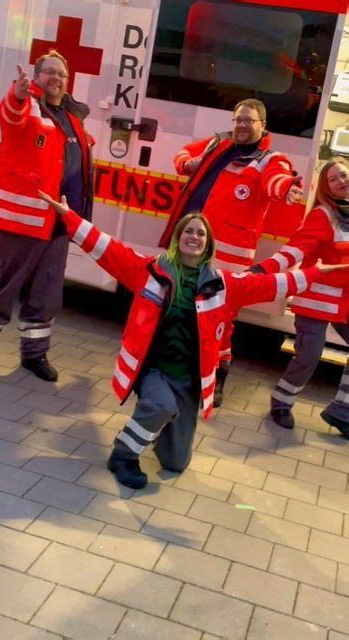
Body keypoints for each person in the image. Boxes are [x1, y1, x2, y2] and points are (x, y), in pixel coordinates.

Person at [39, 190, 347, 489]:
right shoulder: (150, 270)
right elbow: (108, 249)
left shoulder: (223, 284)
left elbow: (271, 284)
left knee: (175, 462)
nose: (194, 237)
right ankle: (123, 455)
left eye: (201, 234)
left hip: (188, 380)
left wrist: (317, 273)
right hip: (154, 370)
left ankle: (157, 427)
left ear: (207, 244)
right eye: (189, 231)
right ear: (177, 238)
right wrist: (71, 219)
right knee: (159, 405)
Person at [159, 98, 303, 406]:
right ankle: (184, 370)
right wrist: (189, 164)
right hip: (195, 248)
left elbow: (276, 181)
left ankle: (218, 375)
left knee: (220, 318)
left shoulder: (269, 158)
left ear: (263, 125)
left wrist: (288, 187)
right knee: (184, 307)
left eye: (249, 121)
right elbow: (183, 154)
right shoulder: (218, 143)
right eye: (238, 119)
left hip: (229, 257)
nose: (241, 125)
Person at [0, 49, 94, 381]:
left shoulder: (72, 119)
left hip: (57, 224)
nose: (56, 78)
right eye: (49, 72)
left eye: (61, 74)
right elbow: (11, 115)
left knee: (45, 295)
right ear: (35, 78)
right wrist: (17, 94)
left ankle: (34, 356)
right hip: (17, 221)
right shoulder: (29, 107)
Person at [250, 158, 349, 437]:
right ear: (326, 188)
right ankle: (281, 402)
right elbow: (295, 251)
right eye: (334, 179)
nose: (342, 181)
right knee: (310, 355)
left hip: (344, 300)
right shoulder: (322, 216)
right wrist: (263, 269)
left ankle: (342, 413)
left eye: (344, 174)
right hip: (316, 299)